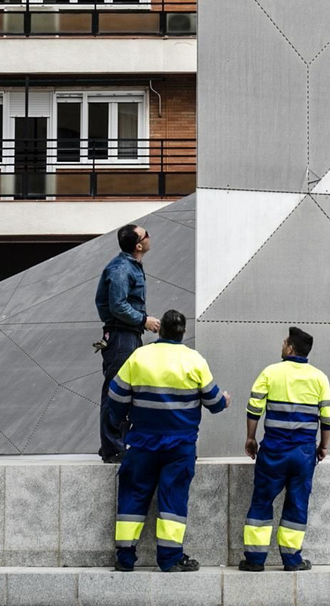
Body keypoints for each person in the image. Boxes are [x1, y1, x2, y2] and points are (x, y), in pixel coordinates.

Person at [106, 309, 228, 573]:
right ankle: (170, 558)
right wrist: (225, 400)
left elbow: (115, 397)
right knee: (173, 498)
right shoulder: (194, 360)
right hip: (180, 447)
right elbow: (214, 403)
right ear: (183, 333)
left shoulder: (139, 356)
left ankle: (125, 557)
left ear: (160, 330)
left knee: (133, 494)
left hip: (142, 443)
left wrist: (121, 420)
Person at [238, 327, 330, 573]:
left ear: (290, 348)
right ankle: (292, 560)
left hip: (274, 450)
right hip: (303, 453)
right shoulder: (319, 378)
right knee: (297, 503)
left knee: (262, 501)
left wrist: (250, 438)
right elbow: (328, 418)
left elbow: (254, 408)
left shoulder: (270, 372)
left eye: (284, 342)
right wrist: (323, 446)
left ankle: (255, 560)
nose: (282, 345)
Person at [94, 223, 160, 462]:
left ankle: (115, 443)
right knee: (116, 389)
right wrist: (144, 320)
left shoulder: (131, 266)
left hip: (128, 334)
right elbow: (118, 306)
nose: (150, 236)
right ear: (138, 245)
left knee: (125, 389)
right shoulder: (122, 269)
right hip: (121, 336)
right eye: (146, 234)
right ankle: (112, 447)